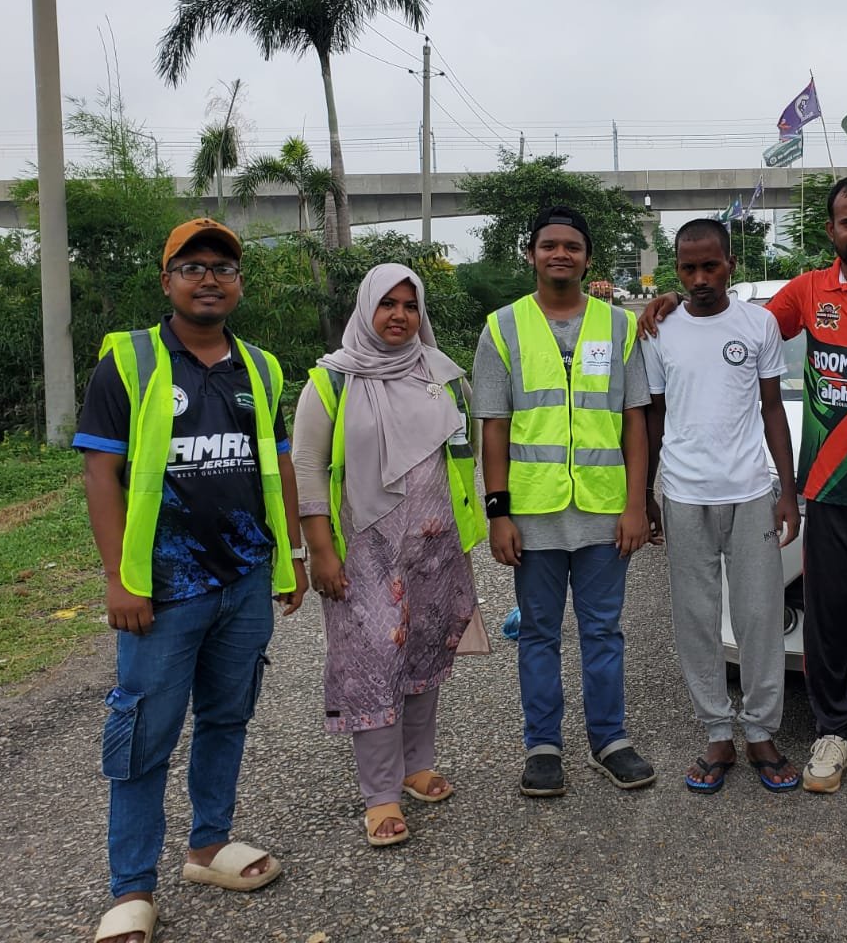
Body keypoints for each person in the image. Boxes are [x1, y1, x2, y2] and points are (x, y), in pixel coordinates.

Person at [644, 175, 847, 795]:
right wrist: (666, 300)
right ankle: (832, 729)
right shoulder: (807, 291)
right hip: (831, 489)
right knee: (827, 620)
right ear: (832, 232)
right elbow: (729, 327)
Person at [77, 218, 305, 943]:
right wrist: (120, 578)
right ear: (166, 278)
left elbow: (280, 464)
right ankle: (130, 889)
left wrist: (291, 555)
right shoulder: (131, 361)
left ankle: (208, 845)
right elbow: (100, 472)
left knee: (227, 718)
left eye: (223, 266)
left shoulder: (261, 368)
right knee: (144, 736)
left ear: (239, 282)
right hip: (163, 591)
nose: (209, 277)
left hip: (242, 581)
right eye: (192, 265)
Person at [292, 263, 484, 847]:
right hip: (364, 548)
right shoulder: (333, 380)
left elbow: (465, 447)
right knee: (375, 659)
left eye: (409, 305)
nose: (399, 316)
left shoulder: (441, 374)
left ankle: (417, 765)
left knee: (424, 653)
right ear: (366, 310)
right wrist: (319, 550)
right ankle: (380, 794)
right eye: (387, 305)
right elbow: (306, 466)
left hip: (435, 544)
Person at [473, 205, 656, 797]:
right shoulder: (502, 328)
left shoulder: (619, 326)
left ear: (588, 258)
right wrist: (499, 513)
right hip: (534, 512)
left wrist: (636, 503)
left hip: (605, 511)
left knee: (604, 631)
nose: (560, 254)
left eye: (572, 247)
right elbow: (493, 426)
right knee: (539, 633)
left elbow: (635, 420)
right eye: (549, 245)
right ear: (530, 253)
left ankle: (610, 739)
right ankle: (544, 746)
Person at [641, 219, 801, 793]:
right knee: (695, 619)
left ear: (731, 263)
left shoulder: (758, 325)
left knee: (760, 618)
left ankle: (761, 731)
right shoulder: (659, 330)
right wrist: (645, 497)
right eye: (688, 268)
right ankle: (716, 731)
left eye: (711, 266)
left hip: (751, 491)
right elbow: (654, 417)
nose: (700, 278)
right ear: (676, 269)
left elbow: (773, 409)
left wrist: (788, 488)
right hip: (684, 494)